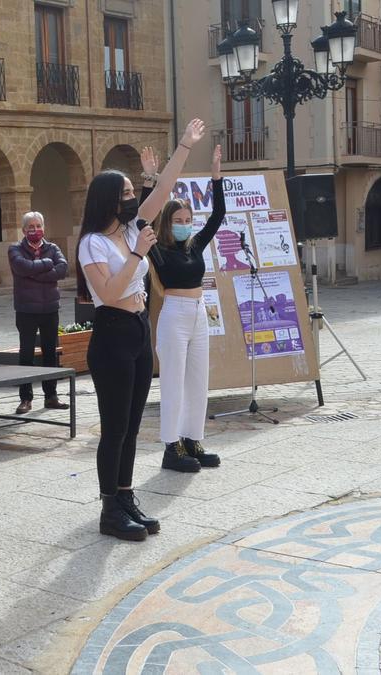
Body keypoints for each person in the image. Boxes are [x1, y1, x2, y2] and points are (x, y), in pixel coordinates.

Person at [76, 119, 205, 542]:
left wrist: (184, 146)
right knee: (114, 427)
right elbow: (110, 293)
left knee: (132, 426)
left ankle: (126, 495)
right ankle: (109, 508)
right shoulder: (93, 243)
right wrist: (136, 254)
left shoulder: (133, 228)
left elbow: (164, 190)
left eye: (134, 192)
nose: (135, 199)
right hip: (111, 334)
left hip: (136, 329)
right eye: (128, 194)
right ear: (109, 201)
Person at [147, 144, 225, 473]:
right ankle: (171, 446)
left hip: (198, 313)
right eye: (178, 220)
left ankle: (192, 439)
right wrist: (151, 180)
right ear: (168, 222)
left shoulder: (194, 245)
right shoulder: (158, 249)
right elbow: (142, 217)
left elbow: (218, 216)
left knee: (198, 381)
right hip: (174, 315)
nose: (184, 224)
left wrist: (216, 176)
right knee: (174, 383)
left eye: (188, 219)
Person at [8, 211, 70, 415]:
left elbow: (63, 269)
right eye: (30, 226)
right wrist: (46, 266)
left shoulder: (52, 248)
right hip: (26, 310)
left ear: (43, 227)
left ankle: (51, 396)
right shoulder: (15, 249)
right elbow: (21, 267)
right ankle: (25, 398)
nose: (35, 229)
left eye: (38, 225)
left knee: (50, 353)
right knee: (26, 355)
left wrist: (33, 274)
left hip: (50, 309)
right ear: (24, 229)